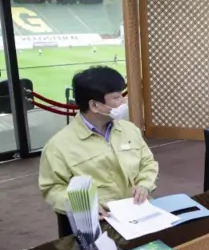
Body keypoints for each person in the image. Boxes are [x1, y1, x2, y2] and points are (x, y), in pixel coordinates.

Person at [39, 67, 158, 217]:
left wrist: (144, 185)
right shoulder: (58, 146)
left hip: (139, 211)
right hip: (99, 221)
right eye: (116, 98)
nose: (123, 102)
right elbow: (52, 188)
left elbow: (148, 162)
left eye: (122, 96)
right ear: (94, 105)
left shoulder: (130, 130)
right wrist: (83, 206)